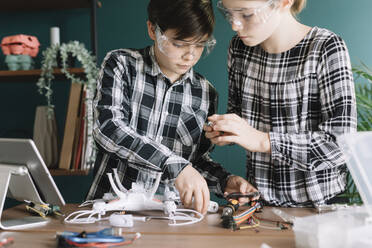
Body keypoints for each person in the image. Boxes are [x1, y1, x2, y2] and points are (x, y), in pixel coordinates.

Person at [86, 0, 258, 214]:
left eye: (200, 44)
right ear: (152, 29)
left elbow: (195, 162)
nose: (190, 55)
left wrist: (224, 181)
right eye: (179, 43)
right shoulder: (122, 64)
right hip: (111, 210)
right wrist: (174, 165)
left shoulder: (205, 93)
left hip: (172, 216)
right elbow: (108, 129)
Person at [204, 0, 357, 207]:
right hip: (260, 205)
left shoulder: (325, 47)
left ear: (284, 2)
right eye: (228, 14)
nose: (234, 25)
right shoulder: (239, 48)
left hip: (322, 208)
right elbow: (241, 117)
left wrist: (264, 141)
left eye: (246, 15)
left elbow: (341, 145)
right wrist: (227, 131)